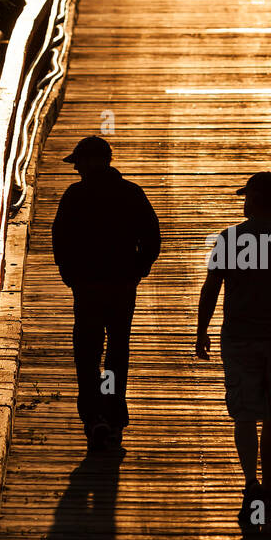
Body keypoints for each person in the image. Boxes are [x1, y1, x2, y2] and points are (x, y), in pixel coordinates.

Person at [195, 171, 271, 524]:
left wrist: (201, 329)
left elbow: (211, 288)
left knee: (244, 413)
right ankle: (267, 483)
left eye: (246, 196)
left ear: (254, 200)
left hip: (238, 337)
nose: (244, 202)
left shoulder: (228, 239)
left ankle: (250, 481)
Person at [52, 135, 161, 452]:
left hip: (87, 288)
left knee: (87, 352)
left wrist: (68, 274)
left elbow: (60, 239)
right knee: (116, 351)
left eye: (79, 164)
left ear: (90, 163)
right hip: (121, 287)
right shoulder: (131, 193)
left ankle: (94, 416)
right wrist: (138, 269)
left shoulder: (75, 196)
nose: (77, 171)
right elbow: (152, 237)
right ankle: (112, 416)